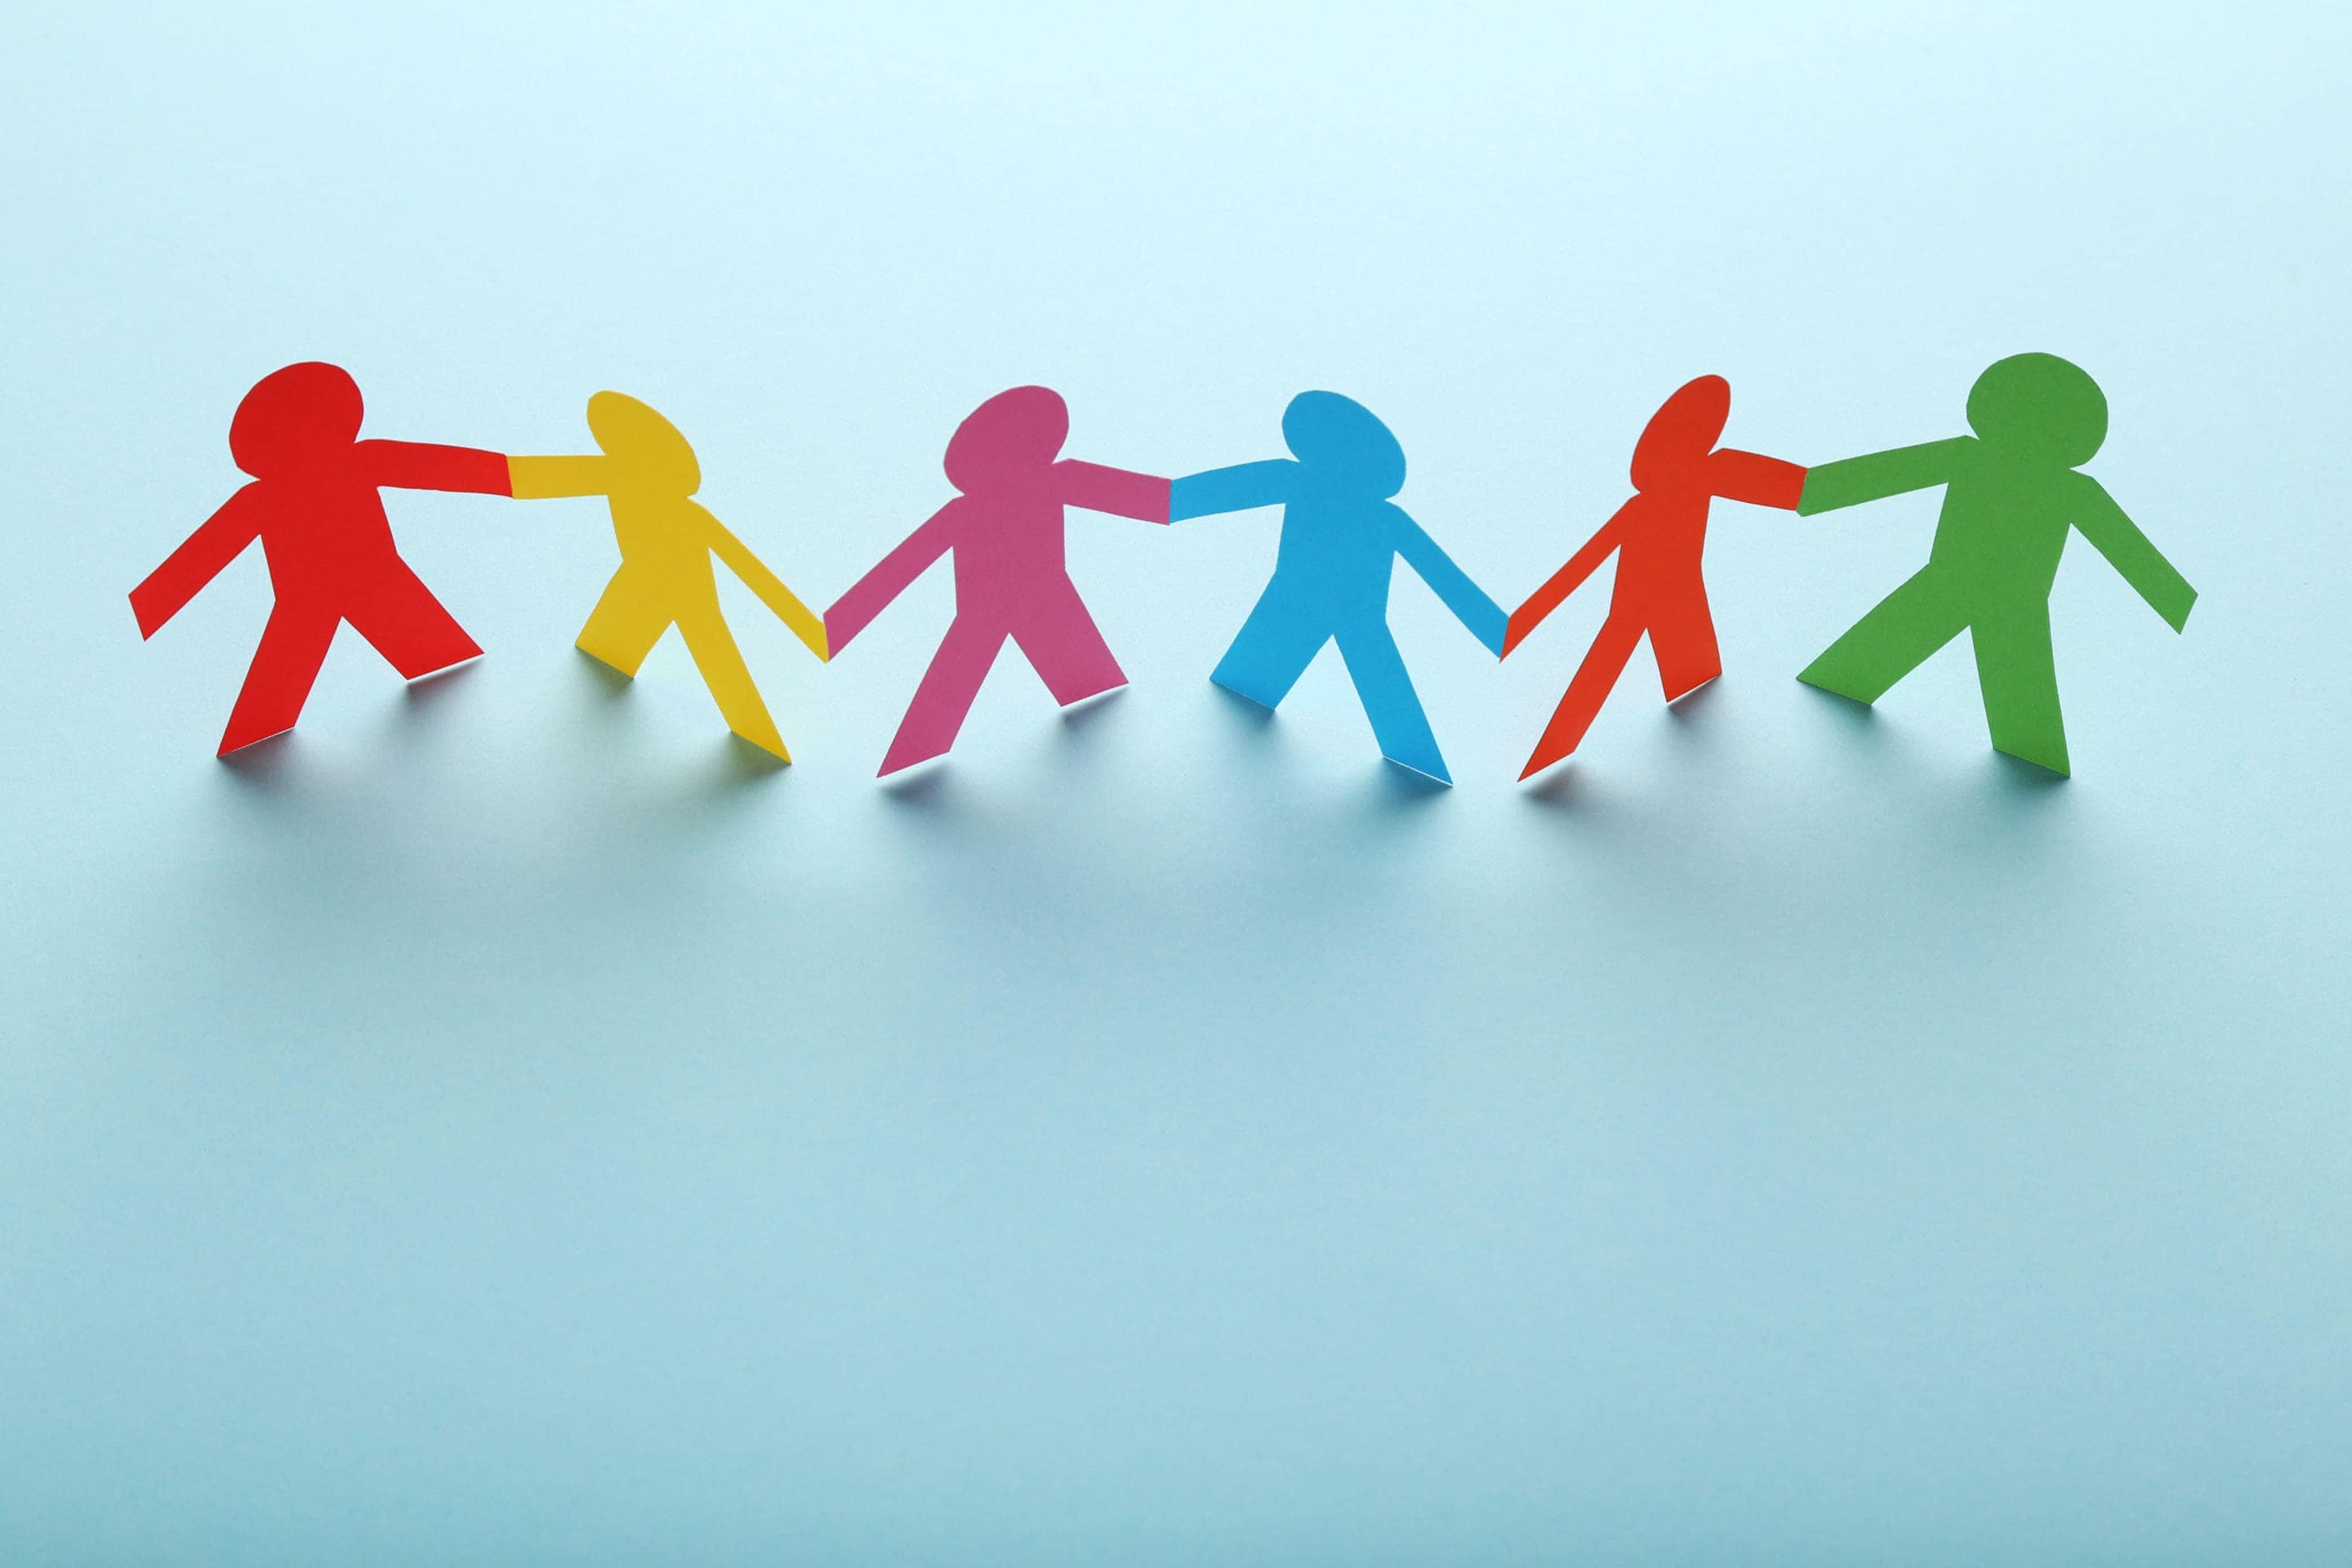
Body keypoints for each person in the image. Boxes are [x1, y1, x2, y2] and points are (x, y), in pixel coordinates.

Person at [1797, 353, 2195, 776]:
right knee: (2013, 704)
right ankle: (2031, 754)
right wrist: (2181, 607)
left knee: (2009, 703)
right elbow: (2137, 558)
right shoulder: (2061, 485)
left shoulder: (2020, 473)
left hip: (1975, 592)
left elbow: (1883, 473)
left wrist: (1804, 492)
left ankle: (2031, 754)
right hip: (1985, 595)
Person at [130, 361, 512, 755]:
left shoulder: (275, 491)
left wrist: (141, 613)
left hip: (347, 591)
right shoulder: (330, 471)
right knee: (439, 663)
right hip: (343, 592)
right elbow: (188, 568)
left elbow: (182, 573)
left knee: (442, 665)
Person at [826, 385, 1169, 777]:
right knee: (935, 727)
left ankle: (910, 767)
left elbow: (1157, 500)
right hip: (1014, 608)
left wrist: (832, 632)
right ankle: (909, 768)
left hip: (1030, 607)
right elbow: (1162, 500)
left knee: (1086, 690)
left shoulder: (1028, 488)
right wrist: (830, 633)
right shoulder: (1028, 489)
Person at [1172, 390, 1503, 785]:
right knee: (1249, 690)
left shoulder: (1339, 497)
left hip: (1326, 612)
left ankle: (1422, 773)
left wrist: (1504, 635)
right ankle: (1421, 772)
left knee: (1393, 725)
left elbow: (1187, 498)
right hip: (1309, 609)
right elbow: (1197, 496)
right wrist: (1501, 634)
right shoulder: (1336, 495)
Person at [1503, 375, 1804, 778]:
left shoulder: (1705, 473)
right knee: (1619, 661)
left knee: (1686, 675)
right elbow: (1579, 568)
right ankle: (1546, 763)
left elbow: (1794, 487)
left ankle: (1547, 762)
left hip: (1679, 596)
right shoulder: (1678, 487)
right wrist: (1513, 629)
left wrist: (1514, 628)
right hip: (1647, 600)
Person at [509, 392, 827, 761]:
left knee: (712, 654)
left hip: (678, 588)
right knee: (616, 650)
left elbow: (748, 569)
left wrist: (812, 632)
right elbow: (533, 477)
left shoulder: (672, 505)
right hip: (639, 584)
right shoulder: (619, 473)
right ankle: (758, 735)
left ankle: (761, 738)